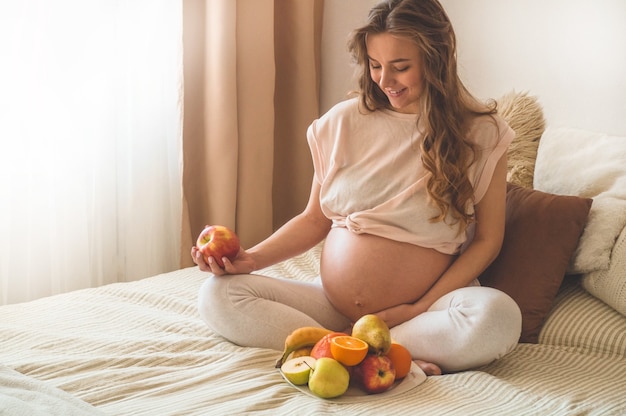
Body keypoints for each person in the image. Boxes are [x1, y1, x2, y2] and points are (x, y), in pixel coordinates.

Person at [192, 0, 521, 375]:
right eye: (375, 65)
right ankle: (368, 353)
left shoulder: (481, 134)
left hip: (422, 310)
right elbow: (314, 220)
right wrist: (251, 259)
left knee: (498, 316)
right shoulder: (342, 123)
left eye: (401, 67)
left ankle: (356, 349)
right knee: (218, 295)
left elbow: (487, 241)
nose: (385, 80)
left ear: (438, 58)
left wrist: (417, 308)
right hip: (333, 306)